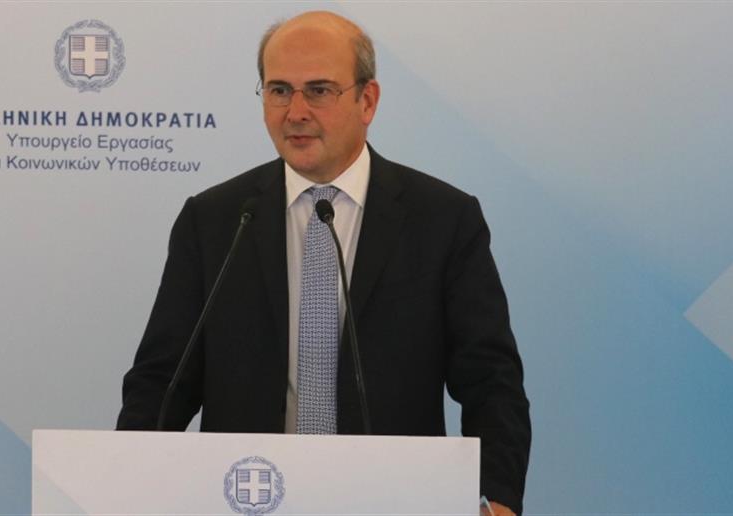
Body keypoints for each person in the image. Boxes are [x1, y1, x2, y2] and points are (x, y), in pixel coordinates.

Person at [116, 11, 530, 515]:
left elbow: (491, 381)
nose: (295, 112)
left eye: (318, 91)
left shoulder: (443, 220)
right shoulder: (215, 220)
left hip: (393, 500)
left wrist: (497, 499)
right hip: (246, 498)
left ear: (367, 101)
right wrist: (126, 485)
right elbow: (162, 381)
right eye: (279, 90)